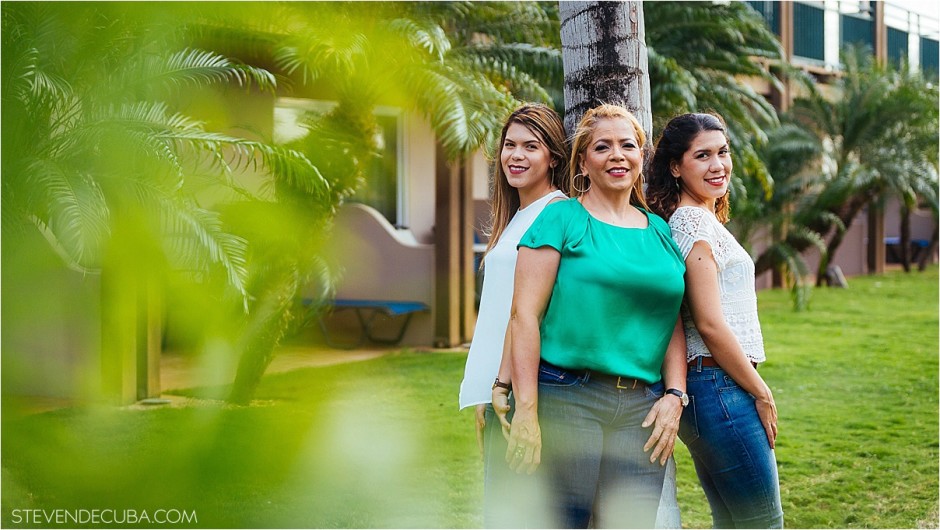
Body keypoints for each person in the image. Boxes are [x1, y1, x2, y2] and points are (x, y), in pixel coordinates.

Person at [498, 103, 689, 528]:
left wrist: (675, 396)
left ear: (642, 156)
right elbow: (524, 315)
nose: (617, 155)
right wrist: (526, 411)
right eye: (602, 147)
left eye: (627, 145)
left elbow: (669, 318)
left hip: (643, 407)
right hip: (569, 397)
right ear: (583, 162)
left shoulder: (658, 230)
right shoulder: (562, 218)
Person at [646, 112, 784, 528]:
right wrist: (761, 392)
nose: (718, 165)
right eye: (702, 155)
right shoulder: (690, 221)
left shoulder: (698, 219)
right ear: (675, 166)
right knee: (763, 522)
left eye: (722, 152)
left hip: (713, 389)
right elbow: (708, 323)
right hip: (719, 387)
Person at [458, 102, 570, 527]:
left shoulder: (556, 213)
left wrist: (518, 397)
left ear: (553, 157)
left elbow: (536, 314)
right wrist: (487, 390)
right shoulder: (519, 215)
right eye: (509, 145)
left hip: (527, 392)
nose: (516, 155)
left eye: (530, 146)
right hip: (499, 388)